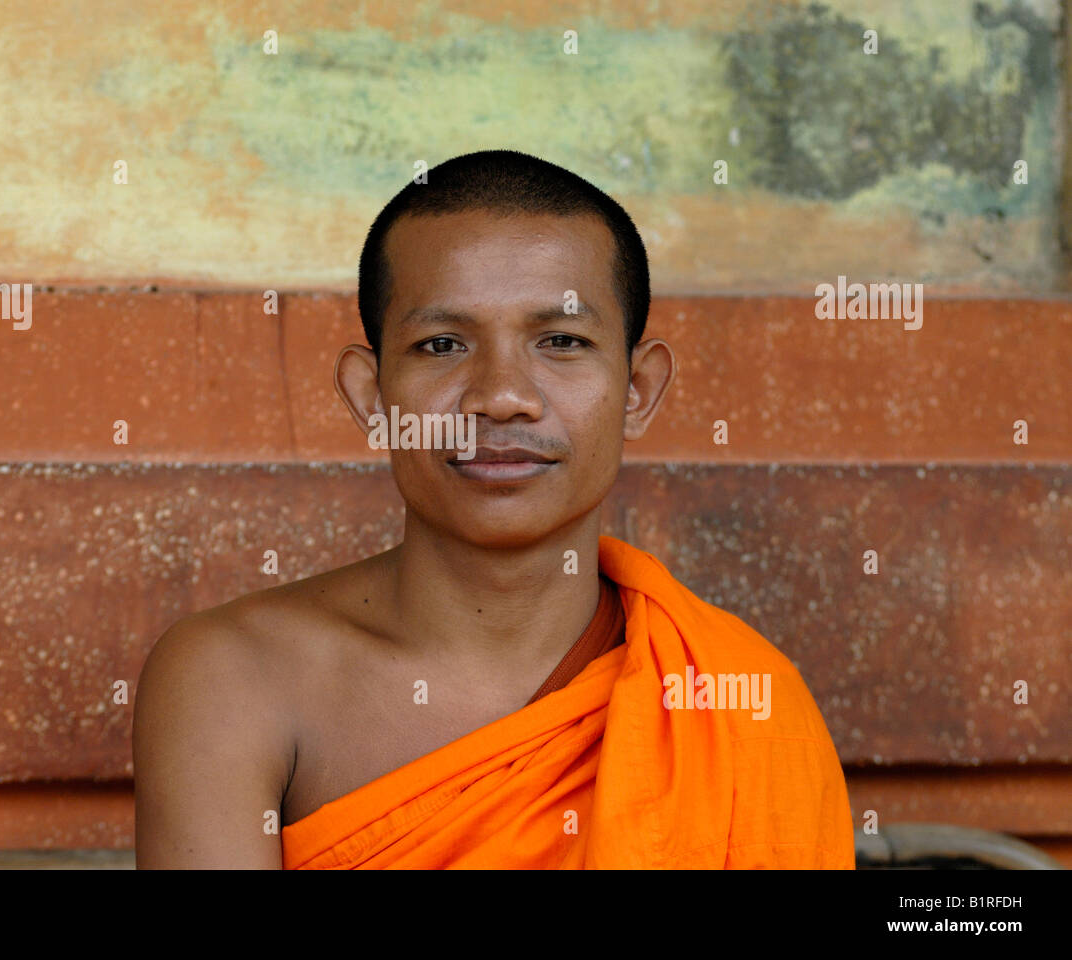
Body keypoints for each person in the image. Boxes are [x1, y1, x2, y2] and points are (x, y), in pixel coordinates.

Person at [133, 149, 854, 869]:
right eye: (441, 344)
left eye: (562, 341)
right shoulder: (237, 680)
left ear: (637, 390)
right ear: (369, 394)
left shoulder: (740, 701)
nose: (502, 395)